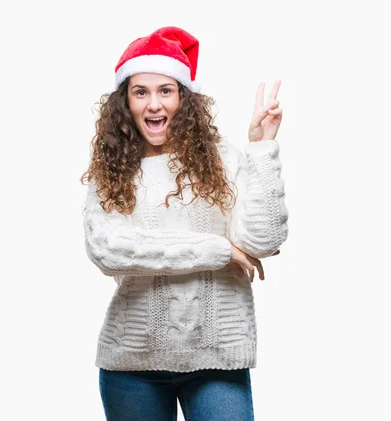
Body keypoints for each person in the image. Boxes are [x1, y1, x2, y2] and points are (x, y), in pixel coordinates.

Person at [80, 26, 288, 421]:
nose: (154, 104)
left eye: (166, 91)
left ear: (183, 99)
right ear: (125, 102)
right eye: (141, 91)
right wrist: (219, 250)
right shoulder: (112, 170)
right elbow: (108, 249)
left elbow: (261, 241)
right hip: (132, 363)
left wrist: (262, 148)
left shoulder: (225, 159)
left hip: (217, 358)